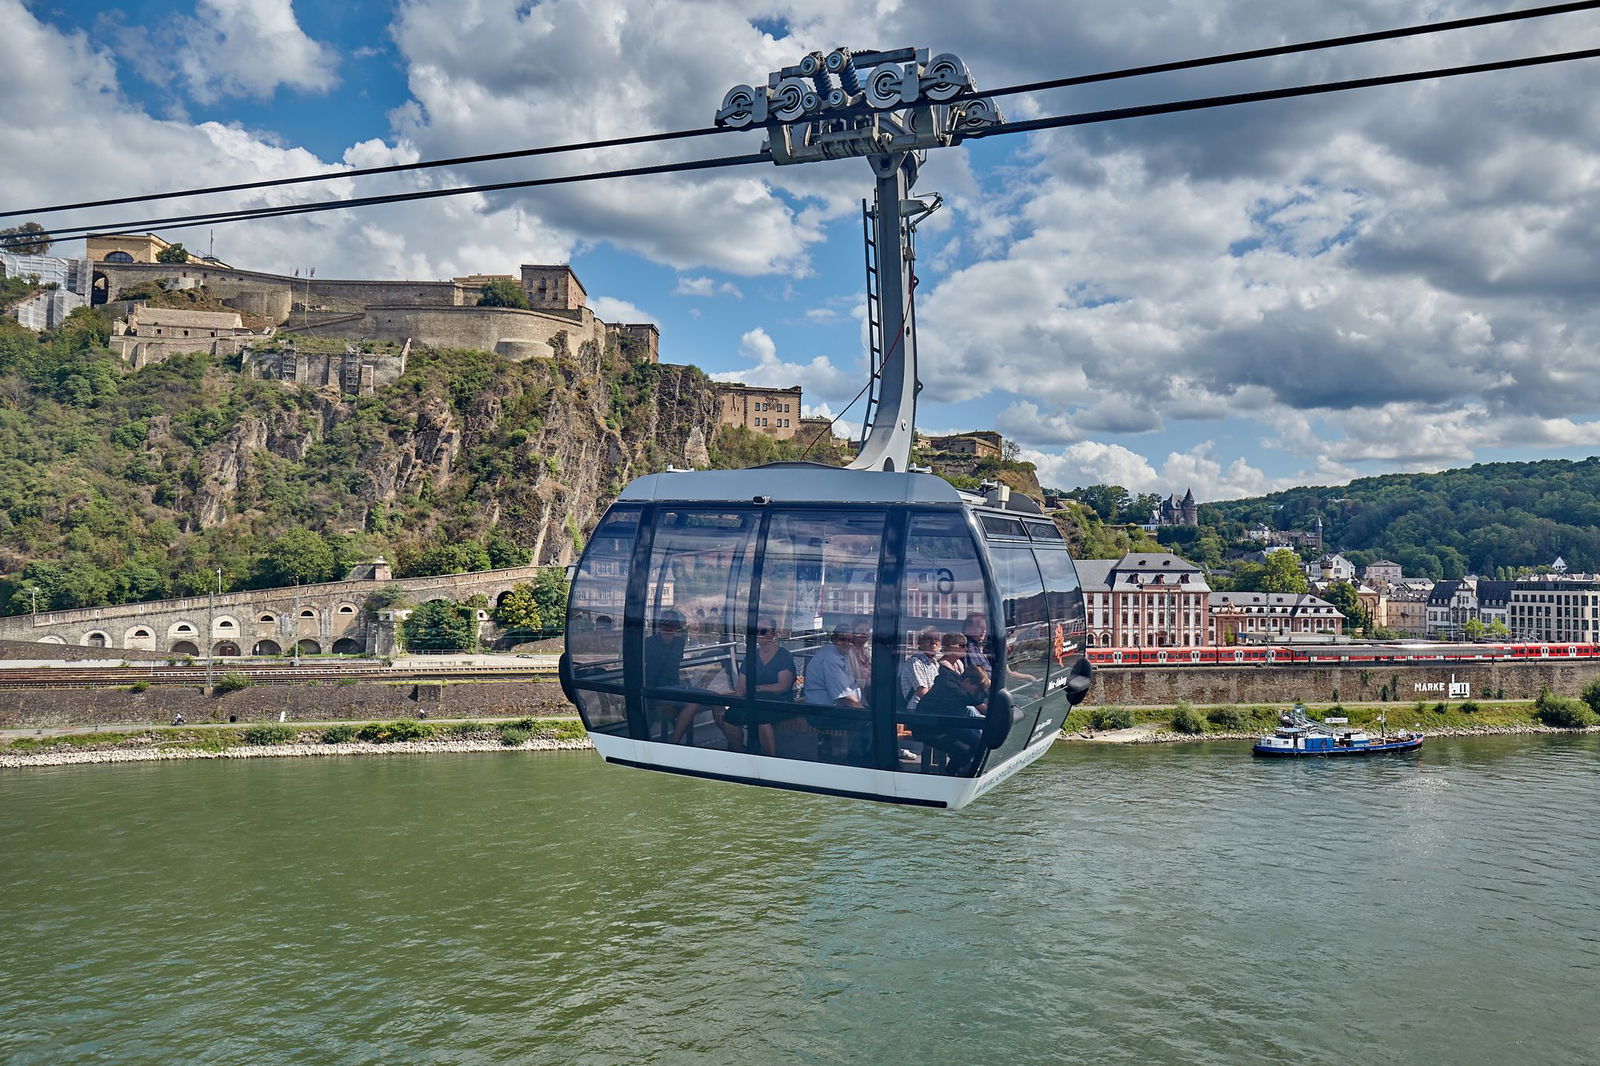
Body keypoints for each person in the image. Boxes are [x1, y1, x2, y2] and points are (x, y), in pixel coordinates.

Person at [715, 617, 797, 754]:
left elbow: (782, 686)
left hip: (780, 702)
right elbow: (741, 687)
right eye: (755, 631)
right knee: (730, 717)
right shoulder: (751, 656)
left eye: (763, 631)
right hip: (754, 700)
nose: (758, 635)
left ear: (773, 633)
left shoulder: (784, 656)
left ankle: (769, 757)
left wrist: (758, 688)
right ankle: (739, 751)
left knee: (762, 718)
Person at [911, 663, 989, 775]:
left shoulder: (954, 683)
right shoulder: (951, 687)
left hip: (945, 724)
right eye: (977, 690)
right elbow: (973, 700)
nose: (977, 693)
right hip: (927, 728)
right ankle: (951, 774)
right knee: (969, 746)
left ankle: (960, 770)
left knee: (976, 742)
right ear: (967, 681)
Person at [644, 608, 697, 740]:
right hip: (654, 688)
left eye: (672, 624)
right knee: (670, 709)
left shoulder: (679, 642)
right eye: (665, 624)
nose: (668, 627)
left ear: (676, 627)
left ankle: (674, 741)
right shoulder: (649, 642)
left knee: (694, 703)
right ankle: (671, 742)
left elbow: (675, 664)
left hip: (673, 686)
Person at [804, 624, 864, 707]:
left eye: (850, 640)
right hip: (824, 712)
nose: (846, 643)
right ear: (834, 639)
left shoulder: (842, 654)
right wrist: (864, 713)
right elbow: (845, 698)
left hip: (839, 708)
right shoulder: (830, 659)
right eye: (842, 639)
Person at [898, 627, 941, 709]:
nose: (933, 642)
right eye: (929, 639)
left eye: (937, 639)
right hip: (918, 710)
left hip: (933, 707)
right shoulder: (914, 662)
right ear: (920, 642)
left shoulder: (935, 664)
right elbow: (923, 693)